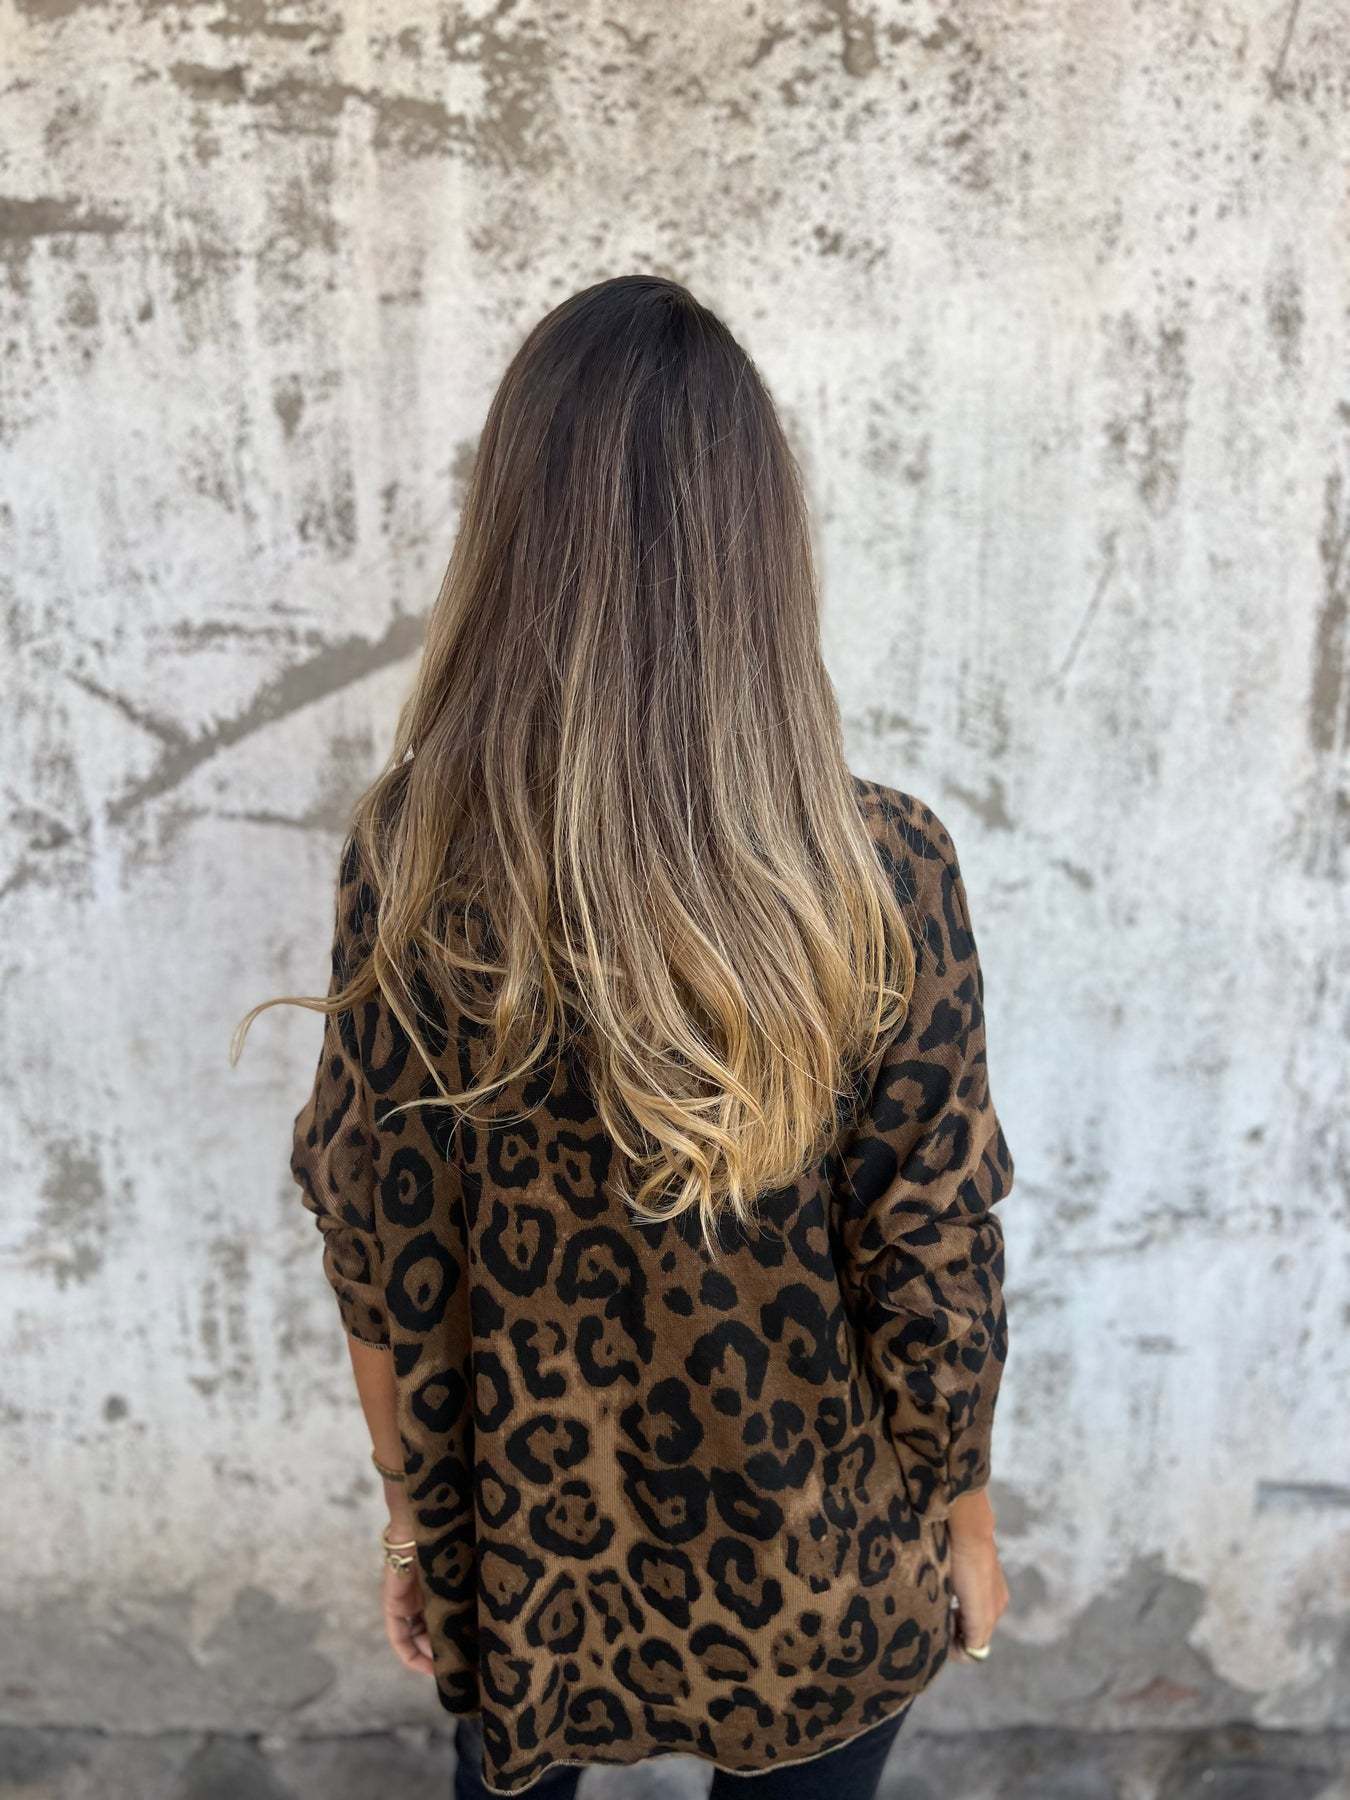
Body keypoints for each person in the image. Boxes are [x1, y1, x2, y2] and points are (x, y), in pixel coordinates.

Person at [234, 274, 1014, 1798]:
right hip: (823, 1555)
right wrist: (963, 1522)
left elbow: (378, 1239)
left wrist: (414, 1523)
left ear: (513, 535)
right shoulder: (876, 870)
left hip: (529, 1555)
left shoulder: (417, 861)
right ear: (761, 547)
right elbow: (931, 1251)